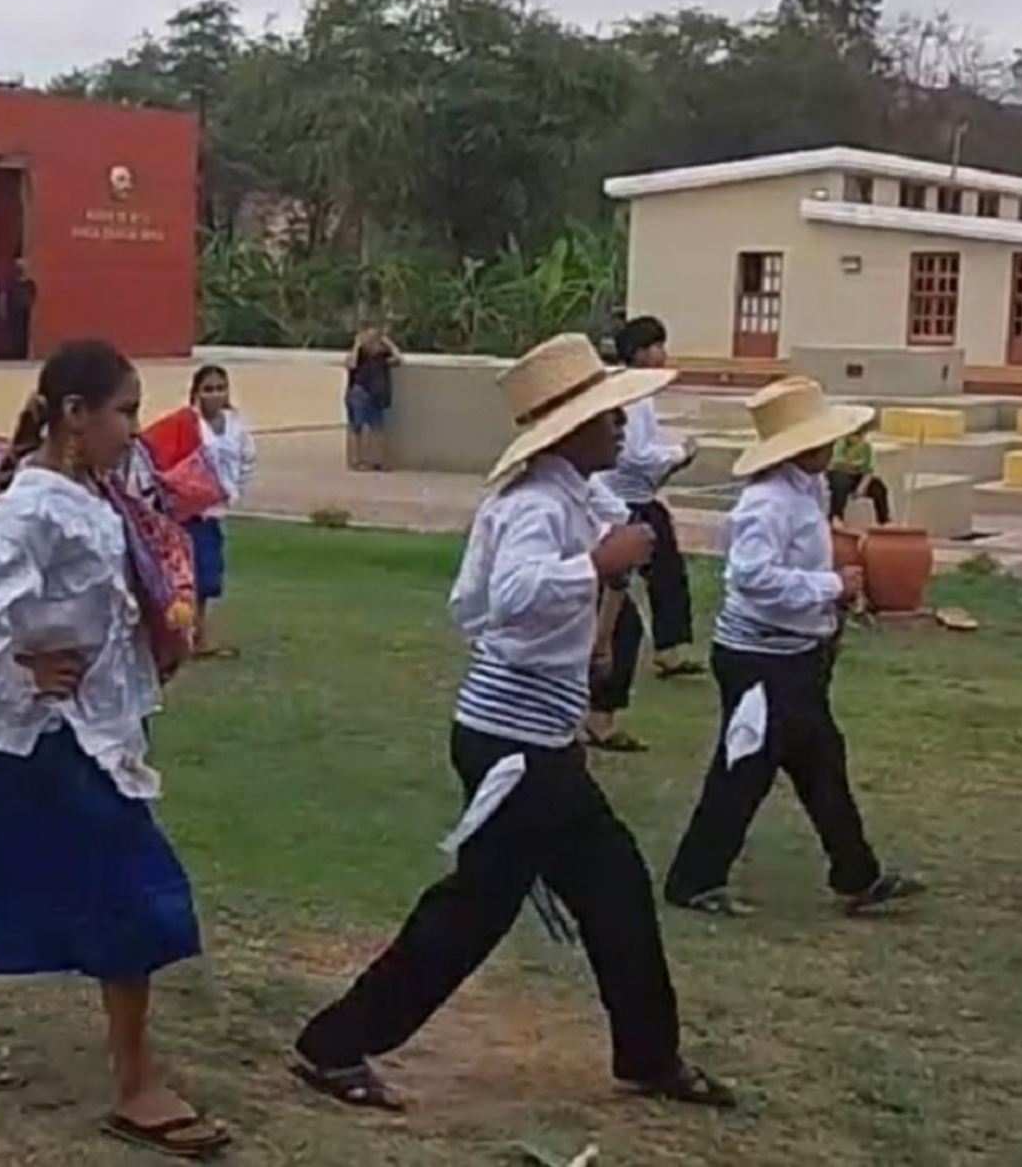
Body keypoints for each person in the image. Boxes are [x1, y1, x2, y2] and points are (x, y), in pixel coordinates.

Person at [292, 334, 734, 1116]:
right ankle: (334, 1044)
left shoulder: (567, 496)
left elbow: (488, 598)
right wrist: (594, 568)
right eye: (607, 418)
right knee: (476, 909)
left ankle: (648, 1052)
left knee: (611, 885)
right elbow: (510, 592)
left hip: (529, 738)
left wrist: (593, 607)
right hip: (517, 745)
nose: (622, 428)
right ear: (569, 431)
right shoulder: (536, 505)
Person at [0, 340, 228, 1160]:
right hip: (56, 739)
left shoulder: (92, 495)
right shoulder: (31, 509)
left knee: (20, 888)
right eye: (124, 410)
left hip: (91, 728)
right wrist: (17, 676)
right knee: (136, 895)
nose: (134, 427)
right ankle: (135, 1082)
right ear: (75, 414)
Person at [664, 378, 924, 919]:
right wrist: (831, 587)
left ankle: (857, 873)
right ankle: (694, 878)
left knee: (820, 762)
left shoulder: (806, 492)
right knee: (745, 766)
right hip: (762, 658)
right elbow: (751, 576)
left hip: (796, 654)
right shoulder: (767, 504)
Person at [590, 315, 704, 753]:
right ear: (638, 351)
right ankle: (597, 715)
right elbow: (634, 456)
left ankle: (668, 649)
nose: (663, 354)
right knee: (621, 614)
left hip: (625, 504)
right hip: (624, 505)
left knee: (665, 572)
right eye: (657, 346)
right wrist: (679, 454)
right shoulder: (632, 395)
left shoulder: (639, 393)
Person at [182, 364, 257, 658]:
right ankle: (186, 635)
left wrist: (233, 491)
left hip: (215, 511)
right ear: (196, 393)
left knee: (208, 575)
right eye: (208, 389)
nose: (215, 395)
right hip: (188, 512)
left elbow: (247, 460)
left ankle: (198, 633)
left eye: (220, 388)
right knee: (188, 574)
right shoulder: (188, 425)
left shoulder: (236, 427)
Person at [343, 324, 400, 472]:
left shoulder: (382, 356)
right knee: (356, 427)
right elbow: (351, 364)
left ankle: (378, 461)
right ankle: (356, 461)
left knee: (377, 428)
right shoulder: (358, 355)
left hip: (376, 395)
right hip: (359, 393)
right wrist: (357, 345)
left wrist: (388, 343)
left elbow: (398, 359)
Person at [827, 422, 892, 526]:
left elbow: (868, 470)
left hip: (858, 477)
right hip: (839, 475)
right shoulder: (839, 444)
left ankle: (883, 520)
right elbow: (835, 464)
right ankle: (836, 516)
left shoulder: (865, 447)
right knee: (841, 482)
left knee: (879, 488)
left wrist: (862, 486)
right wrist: (852, 466)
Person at [6, 258, 37, 360]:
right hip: (14, 311)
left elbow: (33, 296)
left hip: (26, 310)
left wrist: (31, 306)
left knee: (27, 332)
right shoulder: (12, 283)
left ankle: (28, 353)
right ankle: (16, 353)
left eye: (22, 267)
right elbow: (7, 297)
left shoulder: (30, 283)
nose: (20, 269)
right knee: (16, 333)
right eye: (18, 267)